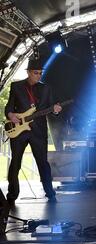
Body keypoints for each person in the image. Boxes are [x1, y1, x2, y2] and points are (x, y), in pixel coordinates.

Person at [4, 59, 62, 206]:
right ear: (28, 72)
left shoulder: (46, 88)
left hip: (38, 132)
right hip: (19, 131)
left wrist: (55, 111)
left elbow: (52, 107)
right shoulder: (16, 86)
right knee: (15, 163)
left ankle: (50, 193)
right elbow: (9, 107)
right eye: (36, 73)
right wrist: (11, 116)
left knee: (43, 163)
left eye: (41, 73)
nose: (39, 76)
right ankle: (11, 195)